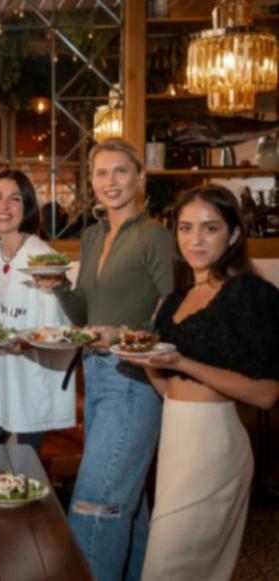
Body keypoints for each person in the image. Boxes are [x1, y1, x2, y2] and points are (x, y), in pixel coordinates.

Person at [115, 185, 279, 581]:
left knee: (164, 570)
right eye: (186, 228)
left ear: (234, 235)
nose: (195, 240)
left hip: (214, 446)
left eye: (210, 228)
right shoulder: (177, 299)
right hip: (175, 439)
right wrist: (147, 360)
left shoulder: (251, 294)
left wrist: (181, 361)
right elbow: (171, 388)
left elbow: (266, 394)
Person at [33, 138, 173, 580]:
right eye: (101, 173)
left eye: (121, 171)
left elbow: (177, 312)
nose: (111, 181)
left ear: (140, 177)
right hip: (94, 374)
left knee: (97, 503)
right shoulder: (93, 235)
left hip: (133, 377)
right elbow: (85, 314)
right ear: (91, 182)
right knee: (125, 502)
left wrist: (123, 334)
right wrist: (58, 285)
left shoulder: (154, 235)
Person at [0, 170, 75, 453]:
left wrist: (27, 341)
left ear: (27, 205)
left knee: (22, 466)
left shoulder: (44, 258)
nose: (3, 206)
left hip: (27, 379)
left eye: (14, 198)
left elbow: (56, 328)